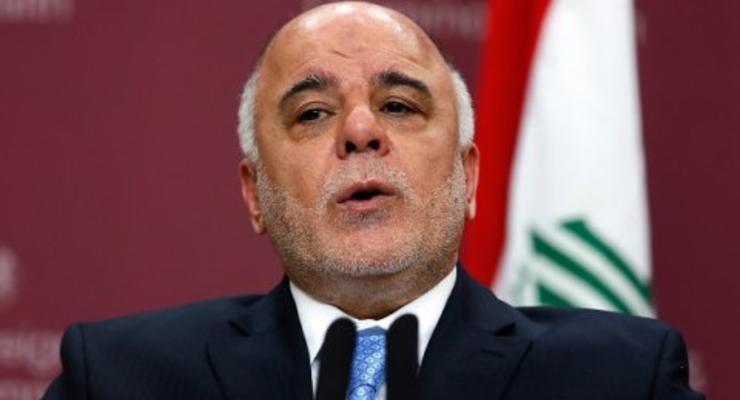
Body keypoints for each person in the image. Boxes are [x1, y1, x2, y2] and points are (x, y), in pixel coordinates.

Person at [42, 2, 703, 399]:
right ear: (255, 194)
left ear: (469, 177)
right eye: (312, 113)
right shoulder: (120, 379)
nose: (361, 131)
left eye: (399, 105)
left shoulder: (621, 378)